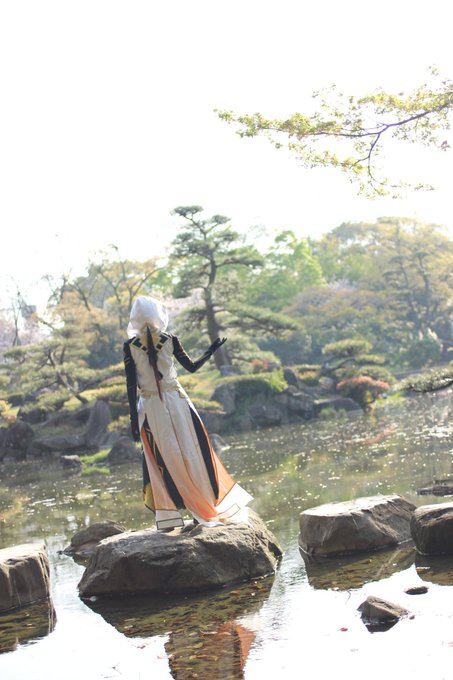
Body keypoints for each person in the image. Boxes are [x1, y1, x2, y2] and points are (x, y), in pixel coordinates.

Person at [123, 295, 253, 531]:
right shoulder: (170, 339)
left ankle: (169, 516)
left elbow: (131, 387)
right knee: (193, 453)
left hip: (151, 408)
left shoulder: (130, 347)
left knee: (162, 459)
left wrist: (133, 421)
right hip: (178, 402)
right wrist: (210, 351)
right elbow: (191, 367)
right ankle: (201, 506)